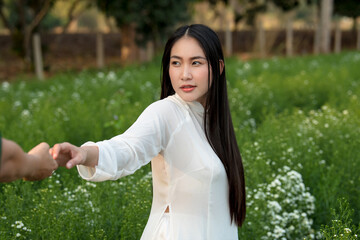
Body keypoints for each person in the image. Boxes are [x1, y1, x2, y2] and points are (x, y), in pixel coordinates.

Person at [51, 24, 246, 240]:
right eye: (176, 63)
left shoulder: (213, 121)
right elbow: (128, 147)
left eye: (196, 63)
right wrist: (85, 154)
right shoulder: (166, 112)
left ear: (218, 68)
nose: (185, 74)